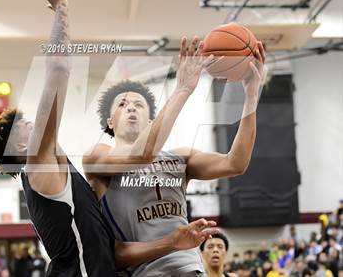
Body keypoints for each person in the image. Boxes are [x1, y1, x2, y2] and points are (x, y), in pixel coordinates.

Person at [0, 0, 219, 277]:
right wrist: (61, 9)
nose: (34, 122)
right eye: (26, 124)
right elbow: (57, 68)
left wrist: (170, 242)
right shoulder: (38, 166)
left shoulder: (63, 181)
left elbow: (112, 252)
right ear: (19, 146)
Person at [83, 33, 265, 275]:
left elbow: (235, 163)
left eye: (138, 104)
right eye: (122, 104)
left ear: (151, 120)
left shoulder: (179, 159)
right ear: (110, 122)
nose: (131, 108)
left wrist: (251, 94)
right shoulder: (97, 157)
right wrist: (182, 89)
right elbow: (115, 255)